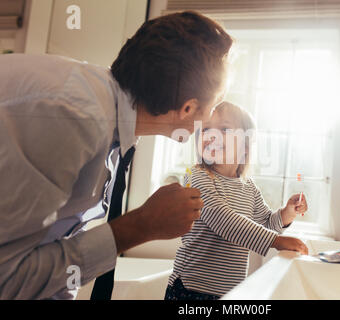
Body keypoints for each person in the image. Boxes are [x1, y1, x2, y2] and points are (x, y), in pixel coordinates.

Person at [0, 11, 232, 299]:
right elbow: (6, 277)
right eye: (216, 102)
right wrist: (141, 226)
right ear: (187, 108)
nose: (213, 115)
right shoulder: (74, 119)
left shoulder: (108, 117)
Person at [164, 102, 308, 300]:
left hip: (229, 293)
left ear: (245, 146)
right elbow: (223, 219)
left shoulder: (248, 188)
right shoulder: (196, 176)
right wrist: (276, 241)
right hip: (190, 290)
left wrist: (287, 213)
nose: (212, 135)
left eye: (224, 129)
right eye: (206, 129)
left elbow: (266, 224)